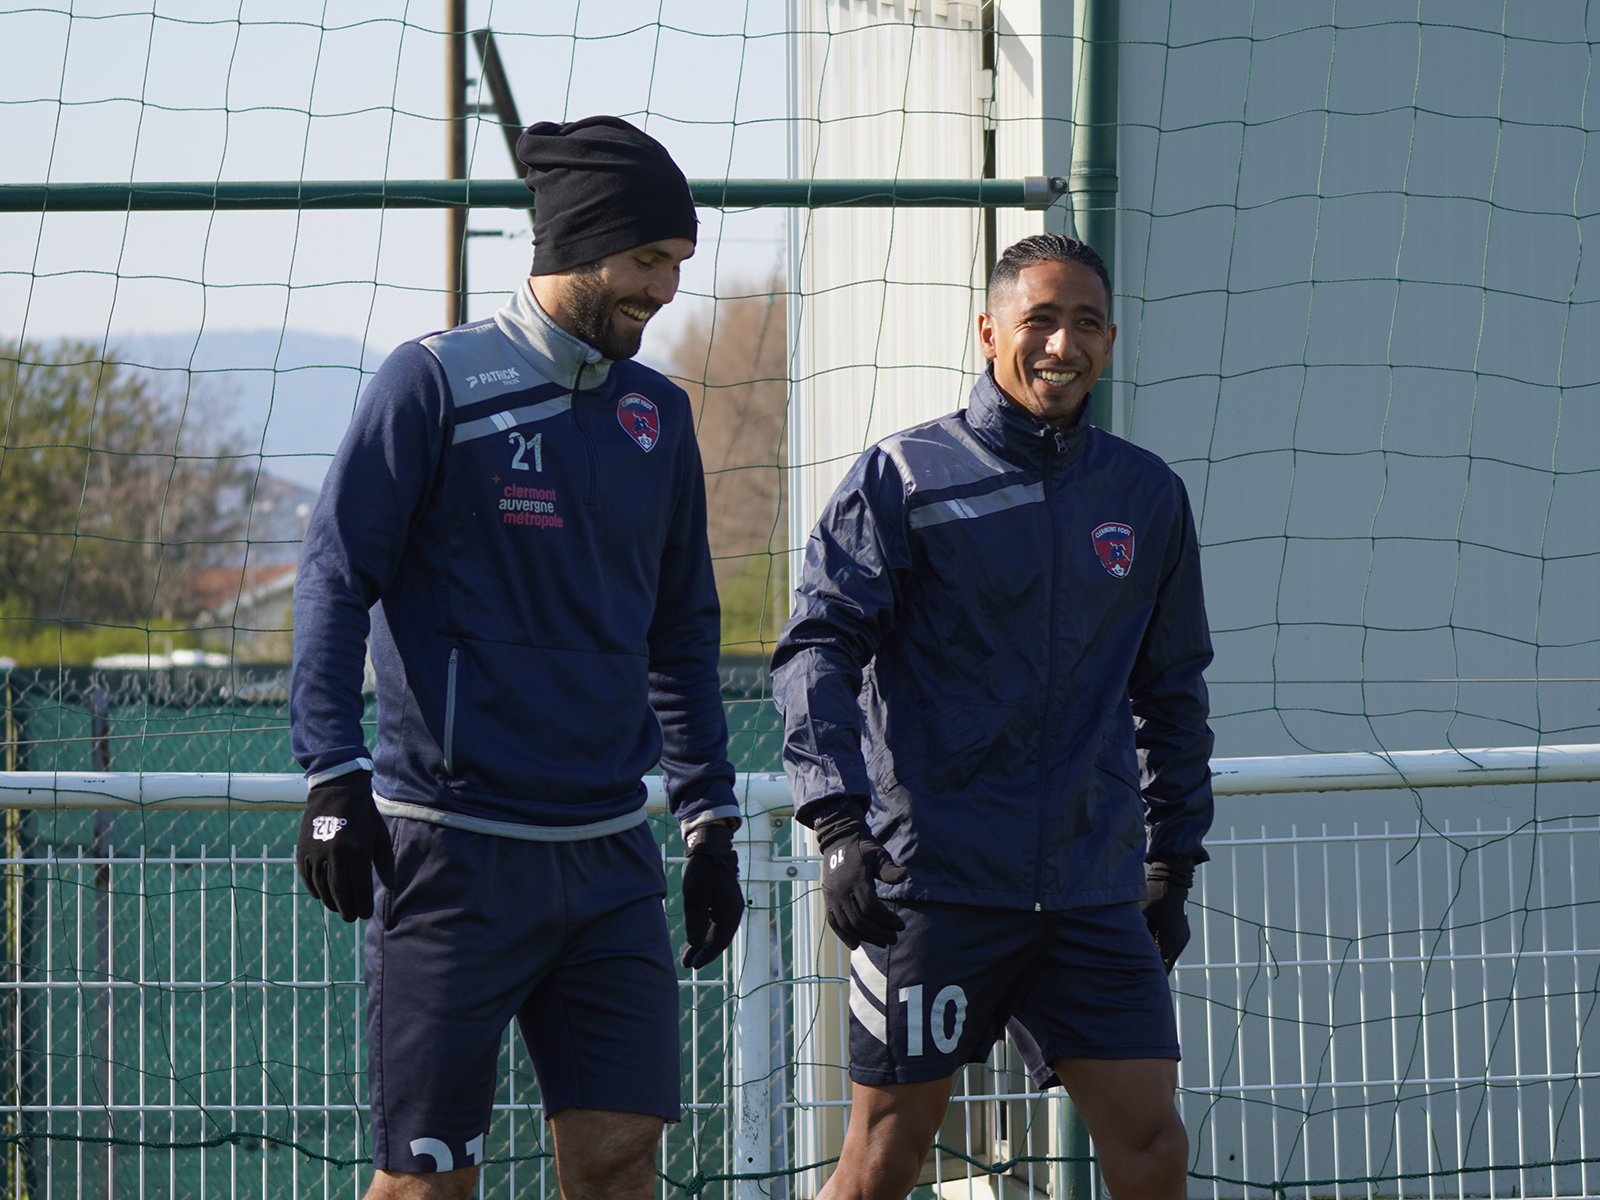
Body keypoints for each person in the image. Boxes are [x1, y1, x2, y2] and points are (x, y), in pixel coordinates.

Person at [289, 115, 746, 1200]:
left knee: (619, 1154)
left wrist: (709, 814)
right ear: (576, 244)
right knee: (428, 1182)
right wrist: (331, 776)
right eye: (647, 261)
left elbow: (680, 630)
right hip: (451, 855)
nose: (666, 290)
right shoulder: (431, 383)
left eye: (679, 264)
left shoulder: (657, 417)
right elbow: (333, 576)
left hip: (607, 862)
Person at [772, 233, 1213, 1200]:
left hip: (1092, 891)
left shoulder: (1146, 495)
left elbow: (1172, 691)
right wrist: (840, 828)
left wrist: (1170, 860)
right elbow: (818, 650)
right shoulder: (906, 476)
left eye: (1086, 323)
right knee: (886, 1155)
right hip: (934, 886)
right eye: (1040, 320)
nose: (1063, 344)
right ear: (988, 330)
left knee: (1153, 1144)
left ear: (1110, 339)